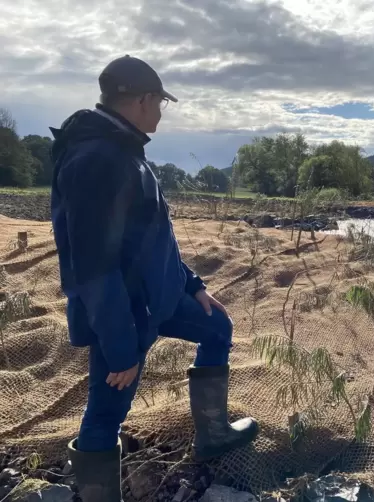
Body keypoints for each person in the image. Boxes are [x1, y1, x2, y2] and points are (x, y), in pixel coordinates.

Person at [49, 55, 258, 501]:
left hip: (157, 299)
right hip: (122, 314)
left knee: (217, 326)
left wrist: (192, 284)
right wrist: (121, 347)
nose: (161, 111)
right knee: (107, 411)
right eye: (161, 102)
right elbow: (92, 268)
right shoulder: (94, 158)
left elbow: (151, 237)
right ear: (144, 99)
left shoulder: (124, 148)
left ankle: (214, 435)